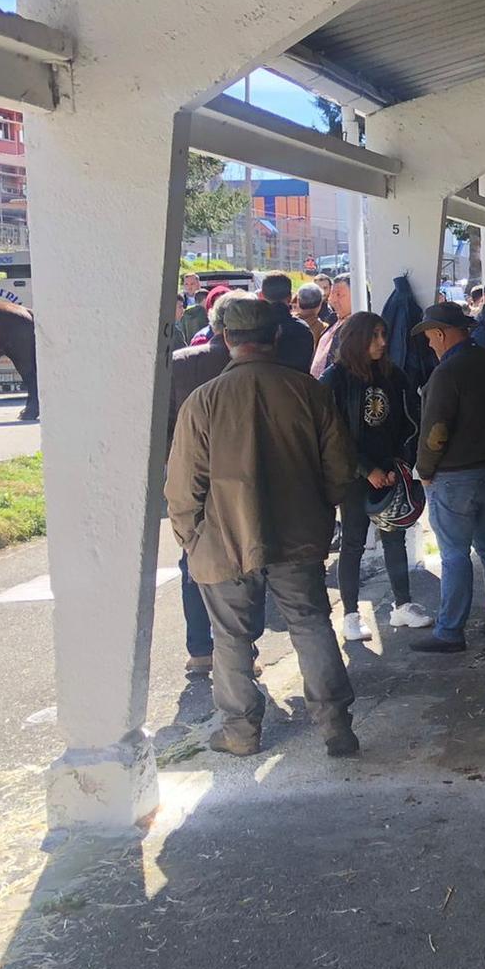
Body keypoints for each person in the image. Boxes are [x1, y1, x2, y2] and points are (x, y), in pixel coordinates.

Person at [165, 296, 359, 757]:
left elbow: (182, 487)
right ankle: (336, 727)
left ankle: (241, 732)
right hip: (298, 537)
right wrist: (317, 512)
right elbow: (340, 471)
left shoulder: (203, 401)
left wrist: (192, 538)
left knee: (231, 638)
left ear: (227, 339)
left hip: (221, 540)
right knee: (311, 625)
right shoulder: (309, 391)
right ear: (275, 337)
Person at [413, 299, 485, 651]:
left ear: (439, 333)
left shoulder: (447, 372)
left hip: (454, 475)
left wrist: (425, 469)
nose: (430, 344)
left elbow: (436, 429)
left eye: (430, 338)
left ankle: (450, 630)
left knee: (454, 554)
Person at [321, 311, 433, 640]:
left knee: (396, 536)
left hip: (391, 472)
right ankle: (352, 614)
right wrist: (366, 469)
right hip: (354, 476)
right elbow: (332, 436)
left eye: (384, 334)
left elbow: (411, 422)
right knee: (353, 542)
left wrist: (400, 463)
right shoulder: (335, 379)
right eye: (375, 336)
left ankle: (402, 605)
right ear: (356, 339)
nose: (383, 342)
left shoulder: (394, 375)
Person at [168, 295, 232, 677]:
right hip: (239, 476)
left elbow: (161, 423)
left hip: (188, 474)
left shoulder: (179, 363)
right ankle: (242, 649)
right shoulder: (247, 367)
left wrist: (170, 467)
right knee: (244, 561)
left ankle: (199, 649)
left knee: (191, 557)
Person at [257, 271, 317, 371]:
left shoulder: (254, 328)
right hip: (297, 385)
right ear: (290, 297)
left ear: (261, 296)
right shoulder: (302, 330)